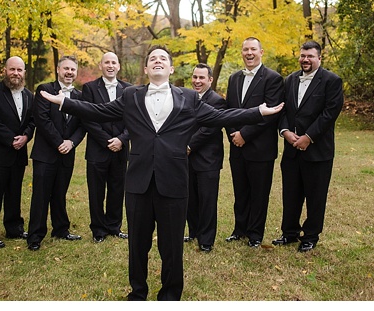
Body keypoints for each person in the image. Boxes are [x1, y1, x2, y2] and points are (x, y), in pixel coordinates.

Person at [39, 45, 283, 301]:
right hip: (138, 183)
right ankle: (138, 293)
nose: (157, 61)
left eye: (163, 58)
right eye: (152, 58)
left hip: (175, 182)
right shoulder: (131, 95)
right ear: (146, 68)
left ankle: (170, 295)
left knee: (172, 246)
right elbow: (98, 112)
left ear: (170, 68)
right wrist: (65, 102)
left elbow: (220, 116)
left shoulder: (189, 98)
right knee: (137, 245)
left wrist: (258, 112)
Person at [272, 40, 343, 253]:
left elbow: (330, 113)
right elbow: (282, 110)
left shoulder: (332, 80)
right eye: (303, 55)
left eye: (310, 56)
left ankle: (311, 236)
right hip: (291, 148)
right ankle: (289, 233)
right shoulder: (290, 80)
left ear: (319, 58)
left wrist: (308, 137)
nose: (305, 59)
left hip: (318, 150)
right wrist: (285, 132)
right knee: (291, 194)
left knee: (315, 196)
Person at [224, 37, 284, 248]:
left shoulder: (273, 78)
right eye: (245, 49)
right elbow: (228, 110)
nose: (249, 53)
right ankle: (239, 229)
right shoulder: (234, 78)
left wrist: (245, 135)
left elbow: (271, 114)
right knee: (240, 192)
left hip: (260, 148)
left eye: (253, 49)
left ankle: (255, 234)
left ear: (261, 52)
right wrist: (233, 133)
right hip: (237, 146)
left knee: (259, 193)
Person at [26, 56, 86, 251]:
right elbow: (42, 120)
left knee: (60, 193)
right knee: (41, 195)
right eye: (66, 68)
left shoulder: (79, 96)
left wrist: (72, 143)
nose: (69, 72)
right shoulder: (44, 89)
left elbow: (83, 124)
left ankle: (61, 229)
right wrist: (59, 142)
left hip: (67, 153)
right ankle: (35, 236)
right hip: (46, 153)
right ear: (58, 70)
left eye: (73, 69)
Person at [0, 56, 35, 248]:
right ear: (5, 70)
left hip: (19, 154)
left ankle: (14, 228)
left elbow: (32, 121)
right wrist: (11, 139)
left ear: (24, 73)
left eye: (19, 70)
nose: (16, 74)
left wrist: (26, 136)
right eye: (12, 70)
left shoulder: (29, 95)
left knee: (14, 194)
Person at [80, 52, 131, 243]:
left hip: (121, 148)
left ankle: (114, 226)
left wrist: (121, 140)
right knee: (96, 191)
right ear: (100, 66)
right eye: (106, 62)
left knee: (118, 190)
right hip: (97, 149)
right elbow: (87, 118)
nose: (110, 65)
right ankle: (98, 230)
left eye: (114, 62)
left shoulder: (129, 89)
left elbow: (134, 119)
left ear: (119, 66)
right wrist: (107, 141)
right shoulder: (90, 88)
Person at [184, 63, 227, 253]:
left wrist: (189, 145)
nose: (197, 81)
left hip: (207, 159)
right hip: (187, 158)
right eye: (195, 77)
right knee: (190, 198)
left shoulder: (217, 100)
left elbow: (209, 129)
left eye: (201, 78)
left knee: (207, 200)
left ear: (210, 80)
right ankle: (193, 232)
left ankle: (206, 240)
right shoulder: (187, 98)